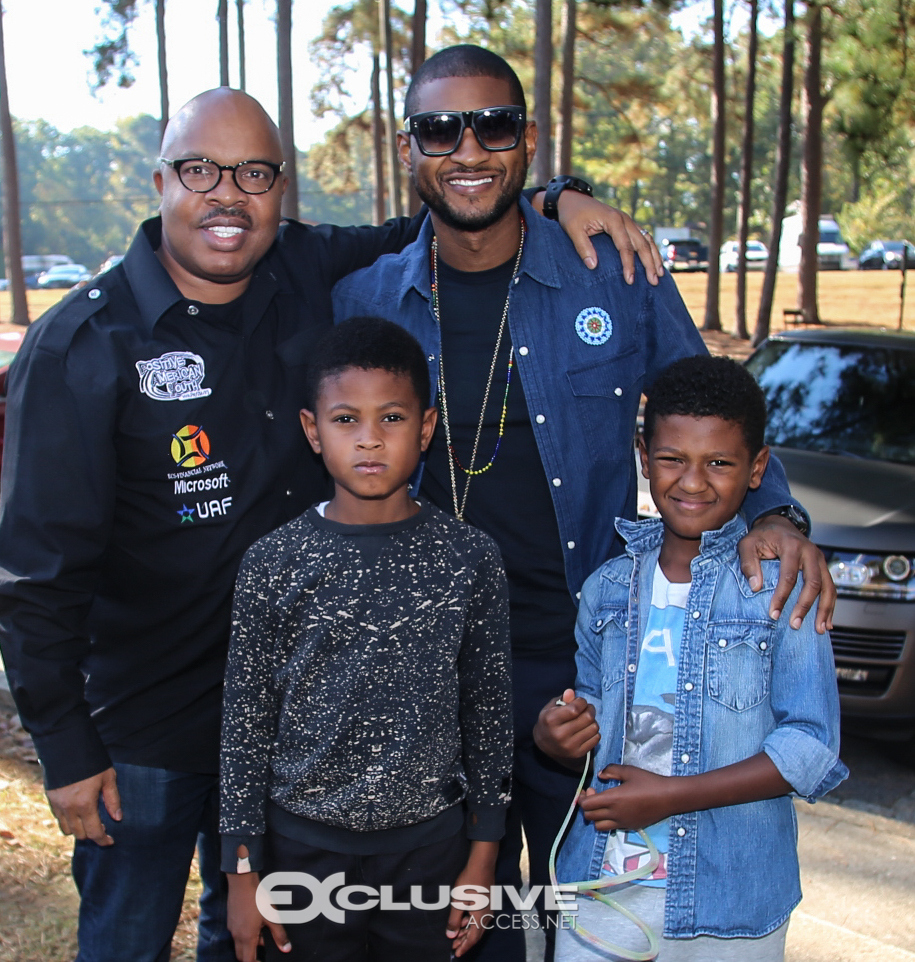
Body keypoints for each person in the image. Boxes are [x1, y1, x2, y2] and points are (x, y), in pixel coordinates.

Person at [0, 85, 657, 961]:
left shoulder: (307, 271)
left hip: (298, 732)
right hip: (150, 728)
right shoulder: (84, 343)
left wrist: (556, 192)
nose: (228, 195)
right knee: (126, 943)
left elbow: (454, 197)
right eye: (200, 170)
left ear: (282, 190)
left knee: (262, 944)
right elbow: (35, 573)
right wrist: (66, 748)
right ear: (159, 181)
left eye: (254, 174)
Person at [331, 44, 835, 962]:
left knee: (595, 910)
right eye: (440, 129)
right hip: (435, 665)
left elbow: (708, 402)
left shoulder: (611, 271)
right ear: (409, 149)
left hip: (591, 662)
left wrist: (776, 515)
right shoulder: (366, 296)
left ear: (526, 139)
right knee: (456, 920)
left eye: (491, 124)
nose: (467, 148)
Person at [534, 354, 847, 961]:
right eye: (673, 458)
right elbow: (596, 707)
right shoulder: (607, 587)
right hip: (604, 885)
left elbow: (810, 747)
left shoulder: (782, 586)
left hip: (731, 897)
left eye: (720, 463)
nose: (693, 481)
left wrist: (671, 795)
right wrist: (559, 732)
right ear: (643, 456)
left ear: (757, 468)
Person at [219, 316, 511, 961]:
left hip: (432, 854)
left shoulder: (469, 558)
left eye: (393, 419)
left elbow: (488, 715)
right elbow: (245, 723)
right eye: (346, 419)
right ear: (312, 431)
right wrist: (242, 872)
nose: (370, 440)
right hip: (302, 854)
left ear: (427, 428)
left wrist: (483, 857)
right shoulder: (273, 561)